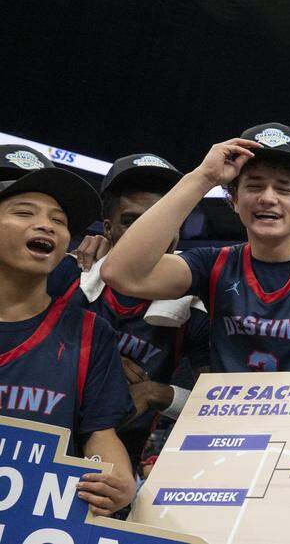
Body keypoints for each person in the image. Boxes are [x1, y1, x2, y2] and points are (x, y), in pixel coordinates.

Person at [102, 123, 290, 373]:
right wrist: (204, 177)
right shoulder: (212, 264)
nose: (267, 198)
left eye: (283, 189)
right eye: (254, 186)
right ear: (234, 200)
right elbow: (120, 273)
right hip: (228, 426)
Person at [49, 154, 209, 469]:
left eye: (161, 219)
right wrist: (99, 359)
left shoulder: (194, 307)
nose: (146, 233)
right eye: (131, 221)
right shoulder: (65, 274)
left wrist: (156, 393)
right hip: (36, 446)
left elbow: (218, 402)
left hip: (117, 464)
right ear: (107, 228)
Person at [0, 162, 136, 516]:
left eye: (59, 221)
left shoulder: (91, 333)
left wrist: (116, 481)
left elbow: (100, 434)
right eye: (24, 212)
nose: (46, 224)